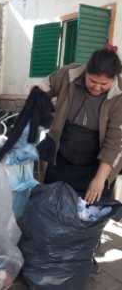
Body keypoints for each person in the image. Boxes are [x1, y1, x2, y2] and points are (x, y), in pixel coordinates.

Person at [37, 45, 122, 205]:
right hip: (62, 155)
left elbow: (115, 143)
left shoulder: (120, 95)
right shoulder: (68, 75)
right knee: (51, 204)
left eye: (104, 84)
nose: (97, 87)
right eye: (92, 81)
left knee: (88, 210)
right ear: (86, 71)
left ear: (114, 79)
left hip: (96, 164)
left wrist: (99, 179)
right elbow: (39, 91)